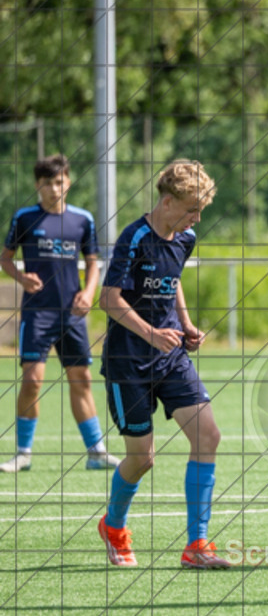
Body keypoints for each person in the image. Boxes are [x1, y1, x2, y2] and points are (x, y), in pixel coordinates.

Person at [96, 159, 232, 569]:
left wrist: (186, 324)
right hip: (128, 363)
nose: (197, 217)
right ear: (168, 201)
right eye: (192, 208)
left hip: (171, 358)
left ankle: (198, 545)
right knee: (143, 458)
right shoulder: (134, 237)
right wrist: (150, 334)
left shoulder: (185, 237)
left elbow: (172, 284)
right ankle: (114, 527)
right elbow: (109, 299)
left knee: (208, 435)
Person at [0, 154, 118, 473]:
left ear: (68, 181)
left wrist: (89, 292)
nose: (55, 188)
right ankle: (23, 453)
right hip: (37, 314)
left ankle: (96, 452)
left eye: (60, 181)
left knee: (81, 379)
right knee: (33, 380)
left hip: (72, 315)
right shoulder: (25, 218)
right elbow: (6, 258)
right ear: (37, 185)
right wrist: (22, 278)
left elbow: (93, 261)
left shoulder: (83, 219)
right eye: (48, 183)